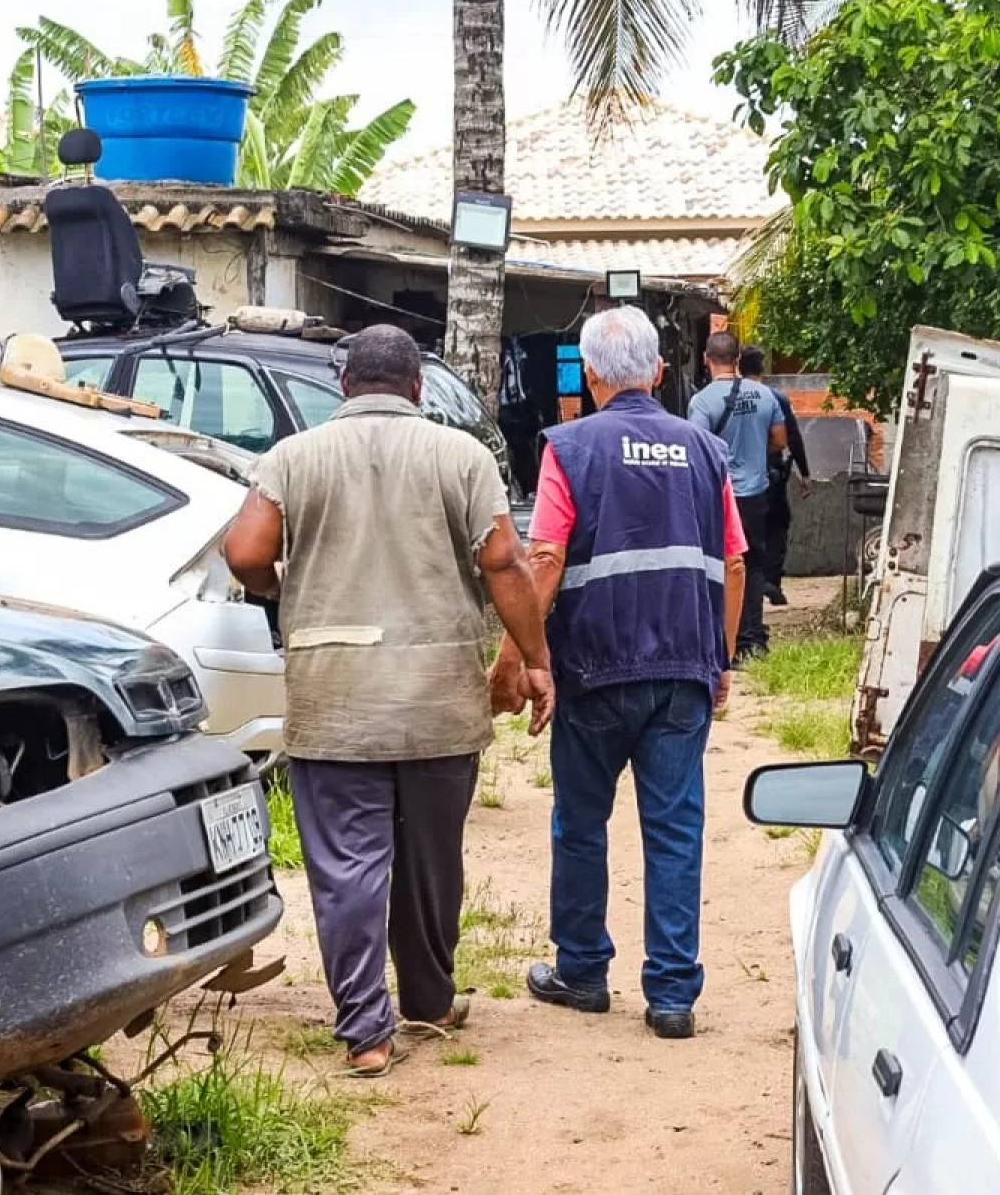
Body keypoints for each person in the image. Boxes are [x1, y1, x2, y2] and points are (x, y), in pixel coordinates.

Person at [224, 325, 555, 1079]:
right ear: (415, 389)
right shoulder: (462, 457)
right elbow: (503, 562)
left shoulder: (292, 457)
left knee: (348, 867)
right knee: (432, 860)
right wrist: (535, 660)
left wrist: (282, 586)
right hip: (438, 698)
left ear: (345, 387)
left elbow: (245, 553)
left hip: (333, 698)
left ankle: (367, 1030)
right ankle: (430, 1001)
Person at [489, 305, 746, 1040]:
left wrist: (522, 657)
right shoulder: (703, 450)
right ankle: (670, 995)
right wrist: (718, 660)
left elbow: (544, 559)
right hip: (681, 672)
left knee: (580, 822)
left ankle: (582, 970)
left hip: (594, 667)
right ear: (661, 374)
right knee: (674, 828)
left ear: (592, 375)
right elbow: (733, 562)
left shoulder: (570, 448)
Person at [687, 332, 785, 657]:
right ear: (737, 360)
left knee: (720, 565)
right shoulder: (765, 395)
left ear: (706, 359)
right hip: (756, 493)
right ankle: (752, 639)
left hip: (720, 496)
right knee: (753, 565)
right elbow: (780, 441)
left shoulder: (701, 402)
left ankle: (722, 640)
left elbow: (698, 452)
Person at [740, 346, 811, 605]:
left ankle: (749, 585)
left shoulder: (730, 398)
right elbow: (792, 436)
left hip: (739, 477)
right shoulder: (775, 398)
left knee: (745, 530)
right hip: (772, 474)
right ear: (762, 369)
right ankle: (771, 582)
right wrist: (804, 473)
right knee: (777, 524)